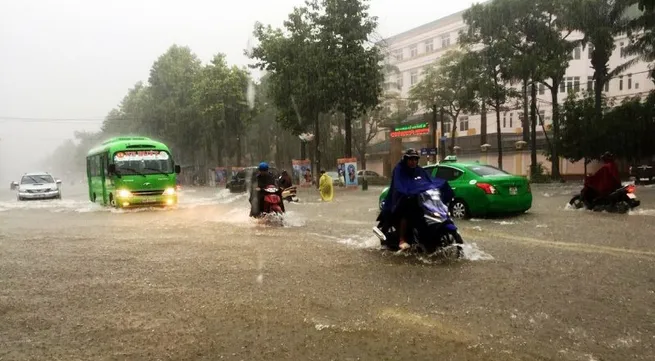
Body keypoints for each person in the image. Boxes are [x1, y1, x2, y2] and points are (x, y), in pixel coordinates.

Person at [377, 149, 453, 251]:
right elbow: (399, 184)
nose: (413, 162)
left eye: (415, 159)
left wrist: (438, 187)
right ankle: (402, 239)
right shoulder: (399, 169)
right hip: (400, 198)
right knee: (407, 213)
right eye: (411, 159)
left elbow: (429, 181)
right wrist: (406, 192)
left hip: (418, 198)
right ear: (406, 159)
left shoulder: (419, 170)